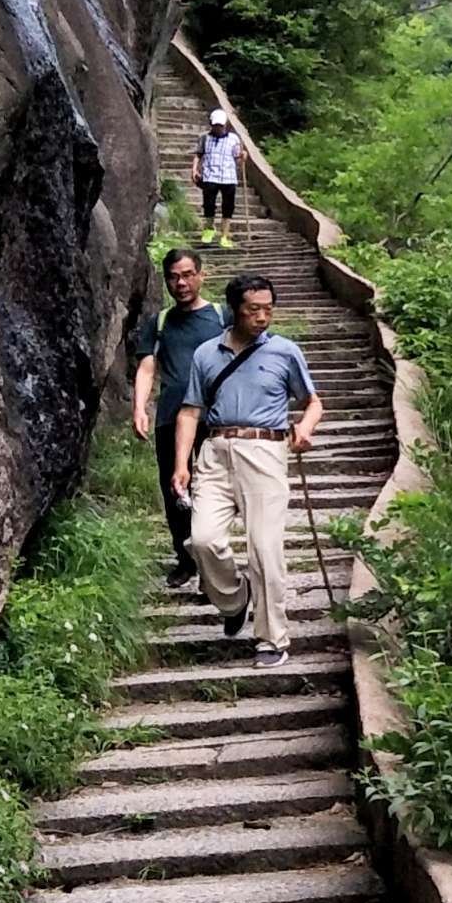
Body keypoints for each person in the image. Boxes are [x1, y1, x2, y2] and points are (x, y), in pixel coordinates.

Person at [170, 271, 324, 669]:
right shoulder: (206, 354)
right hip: (215, 452)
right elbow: (190, 411)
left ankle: (272, 639)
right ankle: (235, 600)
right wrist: (180, 465)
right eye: (254, 309)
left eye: (268, 309)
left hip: (265, 451)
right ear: (235, 310)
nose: (262, 317)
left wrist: (304, 428)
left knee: (265, 550)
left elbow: (313, 402)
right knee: (202, 540)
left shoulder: (285, 352)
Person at [130, 247, 225, 589]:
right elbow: (146, 366)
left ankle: (211, 565)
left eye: (187, 275)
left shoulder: (221, 315)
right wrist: (140, 407)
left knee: (212, 489)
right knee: (175, 488)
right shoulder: (160, 322)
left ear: (201, 275)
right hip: (171, 415)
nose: (181, 283)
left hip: (215, 417)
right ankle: (185, 560)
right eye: (173, 277)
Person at [194, 109, 245, 244]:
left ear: (225, 124)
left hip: (229, 177)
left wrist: (243, 156)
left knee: (228, 206)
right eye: (215, 125)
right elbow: (198, 154)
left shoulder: (234, 139)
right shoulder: (204, 138)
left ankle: (224, 235)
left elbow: (237, 159)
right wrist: (194, 170)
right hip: (210, 175)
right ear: (211, 124)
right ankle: (209, 229)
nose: (218, 128)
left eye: (220, 125)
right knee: (208, 204)